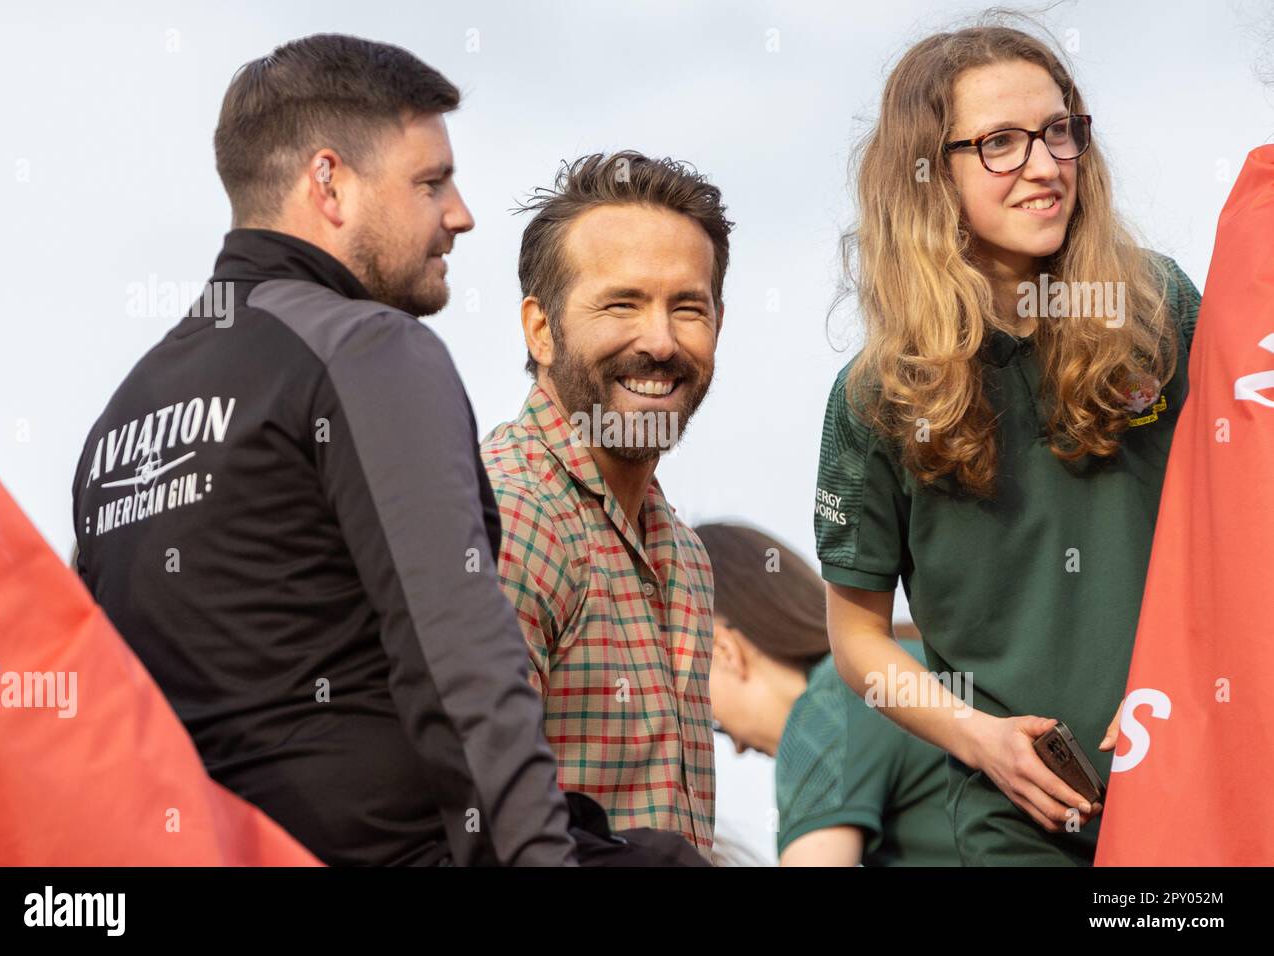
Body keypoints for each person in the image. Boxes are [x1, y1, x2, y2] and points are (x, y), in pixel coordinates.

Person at [71, 33, 575, 866]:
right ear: (330, 183)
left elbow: (103, 713)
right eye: (431, 182)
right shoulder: (367, 348)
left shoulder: (118, 425)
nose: (461, 213)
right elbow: (463, 676)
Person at [815, 23, 1201, 865]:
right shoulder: (874, 399)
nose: (1044, 163)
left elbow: (1245, 517)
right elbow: (857, 641)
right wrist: (981, 739)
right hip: (1018, 822)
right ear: (928, 175)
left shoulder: (1159, 307)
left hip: (1194, 779)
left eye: (1059, 130)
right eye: (999, 143)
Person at [481, 151, 731, 858]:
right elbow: (472, 808)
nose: (659, 341)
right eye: (622, 303)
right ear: (540, 328)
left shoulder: (681, 550)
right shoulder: (514, 511)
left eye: (688, 307)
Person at [696, 523, 959, 866]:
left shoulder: (824, 711)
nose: (739, 747)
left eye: (718, 725)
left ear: (723, 649)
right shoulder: (905, 664)